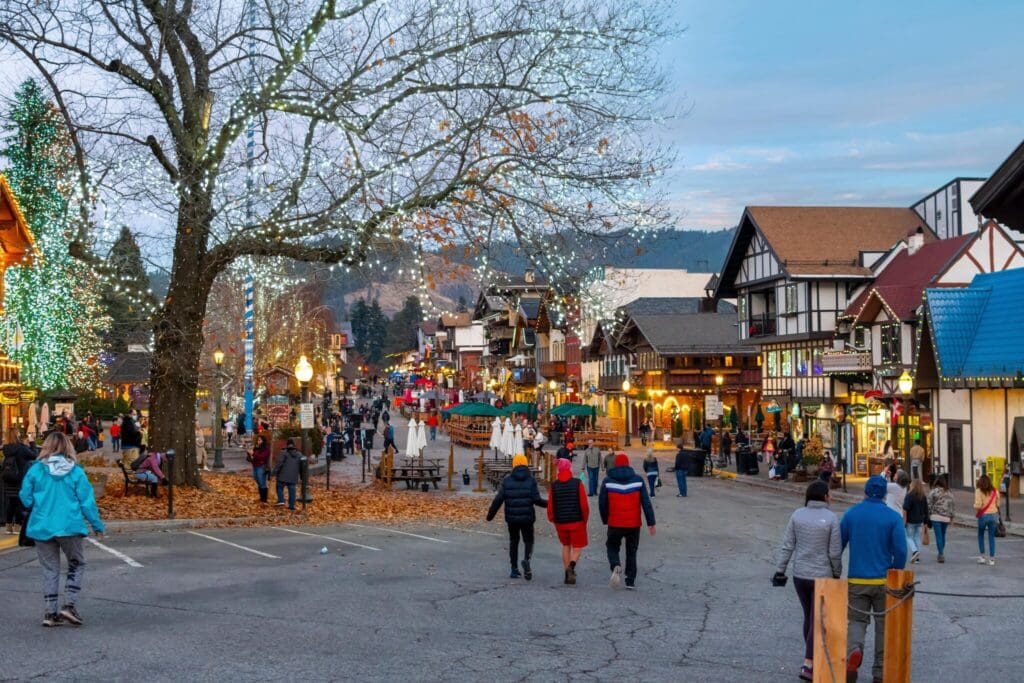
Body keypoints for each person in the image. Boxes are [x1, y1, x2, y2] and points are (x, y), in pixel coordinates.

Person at [18, 432, 105, 627]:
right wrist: (97, 525)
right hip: (69, 525)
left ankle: (50, 612)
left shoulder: (36, 470)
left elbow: (25, 497)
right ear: (68, 447)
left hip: (41, 525)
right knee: (76, 563)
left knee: (50, 569)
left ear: (46, 447)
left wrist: (37, 504)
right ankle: (69, 605)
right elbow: (87, 502)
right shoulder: (75, 472)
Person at [773, 481, 843, 682]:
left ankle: (813, 656)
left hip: (800, 575)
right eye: (829, 493)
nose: (831, 496)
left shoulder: (797, 515)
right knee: (817, 619)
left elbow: (788, 545)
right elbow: (834, 552)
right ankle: (809, 662)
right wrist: (836, 573)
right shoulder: (831, 518)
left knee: (809, 616)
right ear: (824, 496)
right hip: (822, 575)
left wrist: (780, 570)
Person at [841, 475, 907, 683]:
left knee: (857, 621)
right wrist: (895, 569)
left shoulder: (851, 514)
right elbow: (901, 551)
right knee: (883, 626)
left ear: (866, 492)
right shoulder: (893, 517)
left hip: (857, 579)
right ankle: (879, 671)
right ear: (885, 494)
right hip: (883, 581)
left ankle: (853, 650)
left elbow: (838, 544)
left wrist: (835, 570)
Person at [599, 453, 656, 589]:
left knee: (612, 546)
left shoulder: (608, 481)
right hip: (633, 523)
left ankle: (615, 564)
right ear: (628, 464)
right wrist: (651, 523)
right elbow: (646, 503)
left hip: (615, 522)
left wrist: (605, 518)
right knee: (632, 550)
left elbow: (602, 503)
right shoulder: (638, 480)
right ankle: (630, 580)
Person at [485, 454, 546, 580]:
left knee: (514, 541)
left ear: (514, 464)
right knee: (528, 540)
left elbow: (499, 499)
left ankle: (514, 569)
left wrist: (490, 515)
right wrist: (550, 504)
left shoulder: (507, 480)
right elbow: (536, 500)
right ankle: (527, 560)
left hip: (512, 518)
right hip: (527, 517)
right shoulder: (531, 480)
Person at [547, 458, 589, 585]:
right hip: (576, 521)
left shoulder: (554, 485)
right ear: (569, 468)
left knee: (566, 546)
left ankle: (567, 573)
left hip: (560, 522)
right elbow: (584, 505)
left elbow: (550, 505)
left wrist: (552, 519)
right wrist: (585, 519)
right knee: (577, 547)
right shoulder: (577, 483)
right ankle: (571, 566)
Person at [3, 430, 36, 534]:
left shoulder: (6, 448)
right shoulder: (21, 448)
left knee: (11, 502)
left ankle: (8, 527)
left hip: (9, 478)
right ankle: (17, 526)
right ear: (17, 435)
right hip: (20, 478)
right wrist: (31, 442)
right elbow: (34, 455)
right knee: (19, 502)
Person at [927, 474, 955, 563]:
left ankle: (941, 554)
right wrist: (952, 517)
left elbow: (929, 504)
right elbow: (952, 505)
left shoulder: (933, 492)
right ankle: (941, 552)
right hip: (946, 517)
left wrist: (928, 514)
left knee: (938, 536)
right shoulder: (949, 492)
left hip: (936, 516)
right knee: (943, 535)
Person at [974, 474, 1000, 566]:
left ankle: (982, 557)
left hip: (983, 515)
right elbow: (998, 504)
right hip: (993, 515)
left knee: (980, 534)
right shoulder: (995, 491)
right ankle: (992, 559)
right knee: (991, 537)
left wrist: (976, 511)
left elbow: (978, 505)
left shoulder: (978, 491)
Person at [272, 439, 303, 511]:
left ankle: (281, 500)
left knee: (279, 487)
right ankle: (291, 506)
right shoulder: (299, 454)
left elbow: (279, 464)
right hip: (293, 477)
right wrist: (301, 476)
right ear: (294, 445)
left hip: (282, 476)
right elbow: (302, 467)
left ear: (287, 445)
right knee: (292, 491)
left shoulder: (283, 453)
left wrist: (274, 473)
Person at [903, 479, 928, 564]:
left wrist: (904, 520)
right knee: (917, 537)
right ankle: (917, 558)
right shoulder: (923, 496)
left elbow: (905, 509)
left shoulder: (909, 495)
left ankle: (914, 551)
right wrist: (925, 522)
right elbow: (926, 510)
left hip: (910, 520)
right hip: (919, 520)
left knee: (908, 537)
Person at [247, 433, 271, 503]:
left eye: (260, 440)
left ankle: (264, 499)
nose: (258, 441)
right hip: (255, 466)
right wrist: (249, 454)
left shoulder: (266, 449)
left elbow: (262, 457)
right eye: (257, 440)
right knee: (257, 480)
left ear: (263, 441)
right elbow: (252, 458)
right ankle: (261, 498)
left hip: (261, 466)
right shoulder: (256, 448)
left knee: (262, 482)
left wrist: (253, 453)